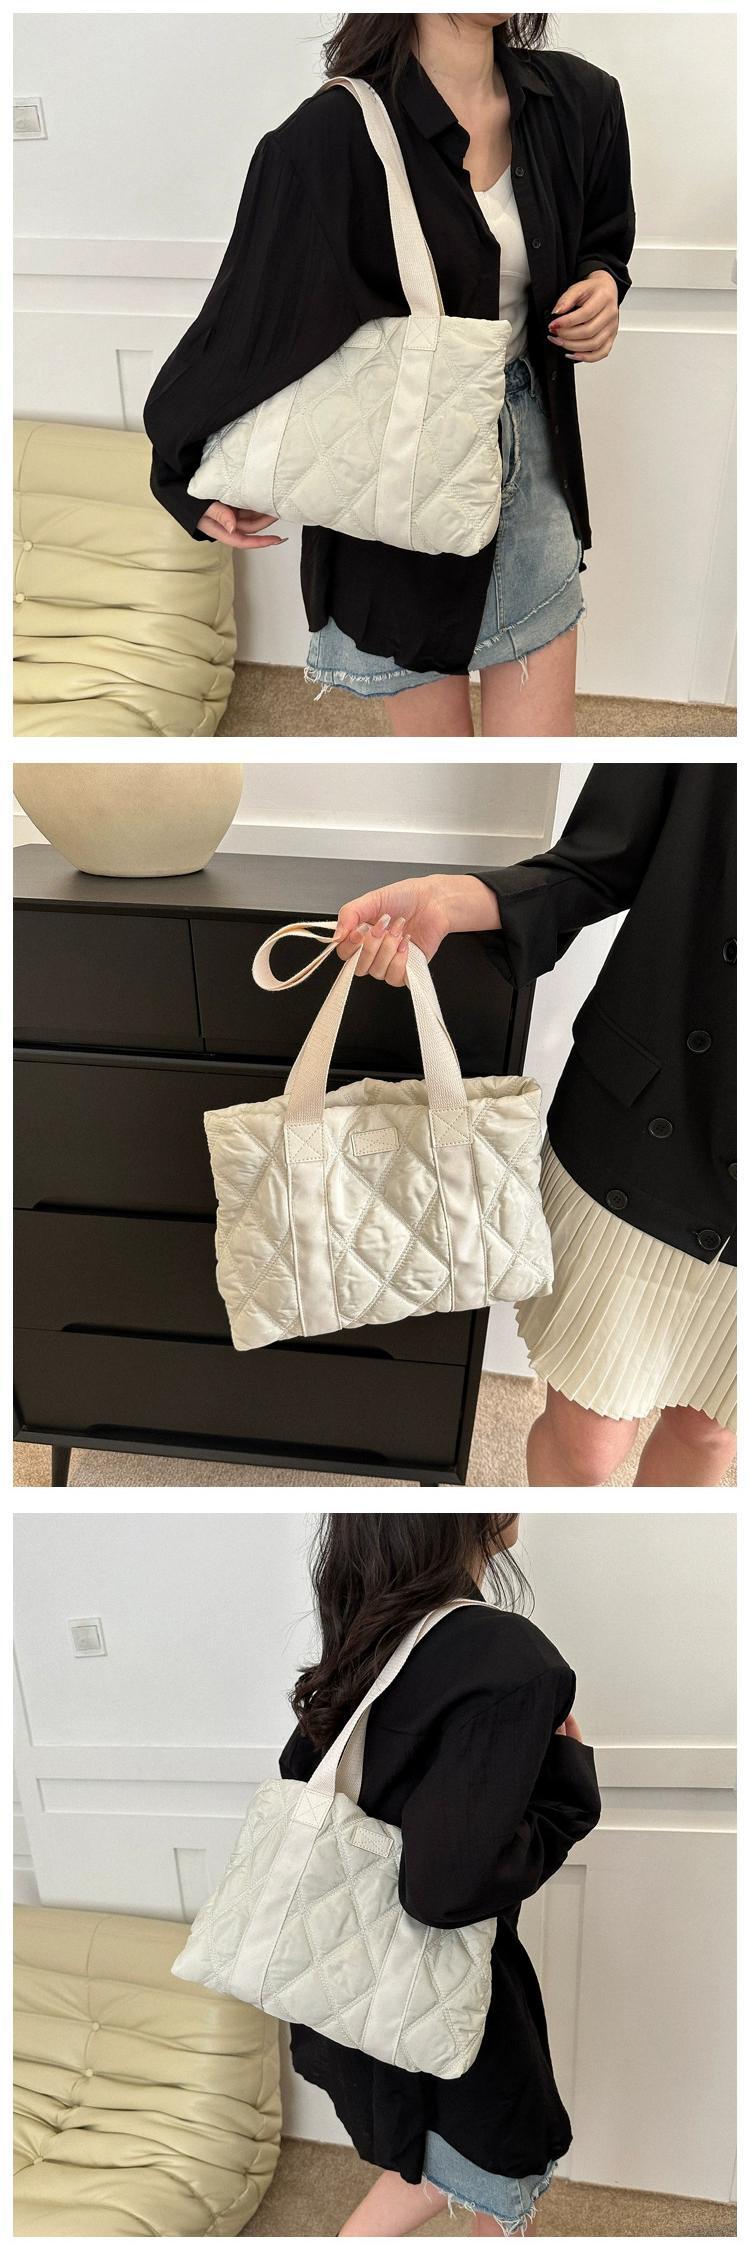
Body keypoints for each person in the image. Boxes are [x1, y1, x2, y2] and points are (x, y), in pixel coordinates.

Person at [143, 14, 634, 739]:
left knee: (534, 750)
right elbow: (249, 324)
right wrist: (179, 473)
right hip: (392, 472)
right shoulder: (330, 138)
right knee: (437, 760)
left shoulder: (580, 101)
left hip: (534, 452)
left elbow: (604, 237)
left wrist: (603, 284)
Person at [332, 764, 737, 1488]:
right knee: (588, 1440)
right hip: (656, 1114)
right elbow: (600, 859)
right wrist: (452, 898)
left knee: (709, 1430)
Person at [280, 1513, 600, 2236]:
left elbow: (301, 1779)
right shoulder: (507, 1655)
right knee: (505, 2163)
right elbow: (443, 1891)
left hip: (349, 1984)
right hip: (450, 1993)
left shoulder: (370, 1632)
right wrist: (567, 1798)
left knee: (430, 2159)